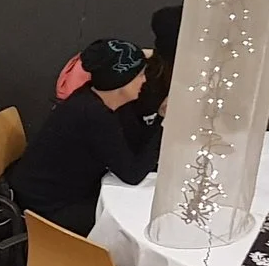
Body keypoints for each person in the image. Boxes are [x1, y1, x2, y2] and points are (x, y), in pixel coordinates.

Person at [10, 39, 164, 235]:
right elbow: (132, 174)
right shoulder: (94, 116)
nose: (144, 80)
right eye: (140, 75)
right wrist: (163, 125)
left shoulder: (96, 99)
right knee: (133, 221)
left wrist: (160, 118)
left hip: (53, 193)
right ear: (121, 82)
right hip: (46, 209)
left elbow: (135, 145)